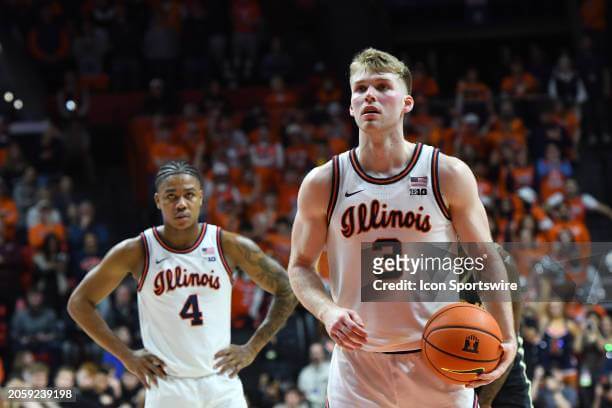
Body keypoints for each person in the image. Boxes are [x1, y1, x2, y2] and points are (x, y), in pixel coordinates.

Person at [288, 48, 516, 407]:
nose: (370, 96)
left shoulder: (446, 173)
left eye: (382, 86)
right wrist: (327, 311)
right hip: (357, 366)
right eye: (360, 89)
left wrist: (508, 334)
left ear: (407, 102)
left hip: (439, 358)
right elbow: (300, 266)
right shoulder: (323, 182)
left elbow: (484, 256)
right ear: (350, 107)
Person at [68, 161, 297, 407]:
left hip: (221, 381)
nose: (181, 204)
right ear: (158, 200)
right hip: (168, 385)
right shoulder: (137, 250)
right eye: (171, 196)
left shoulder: (228, 245)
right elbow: (78, 303)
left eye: (189, 195)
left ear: (201, 197)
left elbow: (287, 289)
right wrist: (126, 356)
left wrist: (253, 347)